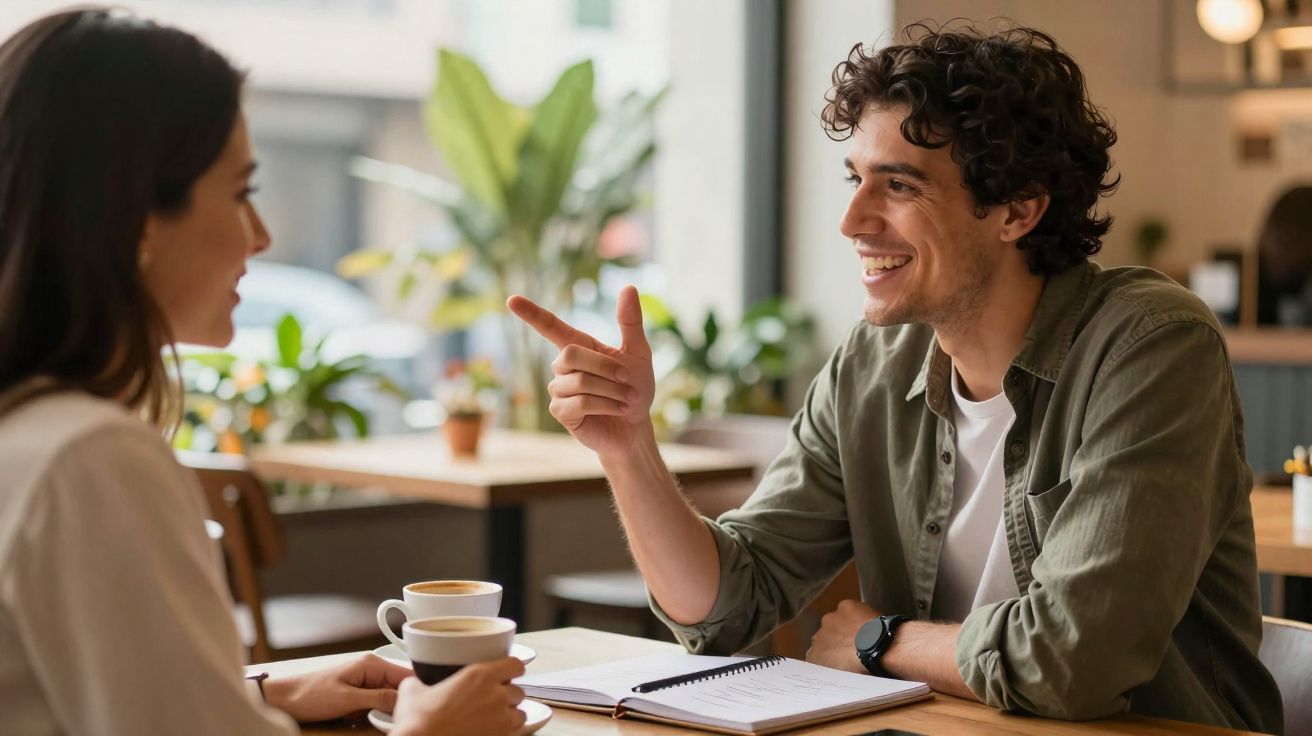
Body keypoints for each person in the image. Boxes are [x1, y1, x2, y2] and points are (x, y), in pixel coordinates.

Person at [510, 22, 1284, 733]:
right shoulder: (873, 365)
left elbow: (1075, 662)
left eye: (901, 185)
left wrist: (883, 639)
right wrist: (626, 449)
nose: (852, 220)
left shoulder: (1149, 344)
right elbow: (725, 607)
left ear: (1018, 211)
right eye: (855, 178)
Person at [0, 8, 525, 735]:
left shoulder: (28, 434)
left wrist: (256, 696)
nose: (263, 236)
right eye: (242, 191)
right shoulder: (89, 457)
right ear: (141, 218)